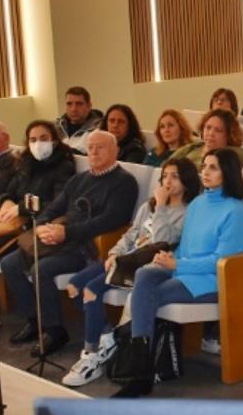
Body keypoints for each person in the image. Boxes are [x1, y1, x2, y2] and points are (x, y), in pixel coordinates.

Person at [112, 150, 243, 397]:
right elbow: (186, 247)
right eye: (205, 166)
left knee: (154, 293)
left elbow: (221, 261)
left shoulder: (235, 212)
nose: (206, 172)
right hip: (187, 272)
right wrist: (169, 258)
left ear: (228, 173)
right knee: (145, 276)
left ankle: (139, 373)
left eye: (213, 168)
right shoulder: (199, 203)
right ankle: (141, 370)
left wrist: (177, 266)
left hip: (216, 280)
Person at [60, 159, 199, 387]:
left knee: (92, 290)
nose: (168, 181)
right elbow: (131, 234)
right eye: (165, 176)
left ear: (187, 181)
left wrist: (163, 207)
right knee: (75, 286)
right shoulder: (148, 206)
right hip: (125, 260)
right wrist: (115, 252)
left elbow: (165, 240)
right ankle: (108, 338)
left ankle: (91, 354)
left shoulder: (188, 212)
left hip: (147, 265)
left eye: (175, 176)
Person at [1, 130, 139, 359]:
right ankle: (34, 320)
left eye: (100, 147)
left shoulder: (124, 182)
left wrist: (67, 233)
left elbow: (113, 220)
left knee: (41, 269)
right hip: (57, 240)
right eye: (90, 147)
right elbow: (55, 206)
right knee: (9, 263)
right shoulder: (80, 179)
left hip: (85, 247)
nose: (93, 151)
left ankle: (54, 330)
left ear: (115, 151)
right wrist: (43, 225)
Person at [0, 120, 77, 230]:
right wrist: (6, 201)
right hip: (14, 222)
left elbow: (59, 203)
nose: (38, 144)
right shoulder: (25, 163)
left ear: (54, 141)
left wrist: (21, 209)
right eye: (33, 140)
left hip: (37, 225)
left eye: (43, 138)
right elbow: (8, 191)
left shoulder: (63, 167)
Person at [169, 108, 243, 167]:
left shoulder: (235, 154)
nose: (211, 133)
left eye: (218, 130)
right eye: (208, 128)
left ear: (229, 135)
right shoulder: (192, 147)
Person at [56, 86, 104, 153]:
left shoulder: (101, 128)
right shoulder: (55, 127)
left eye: (79, 104)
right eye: (69, 104)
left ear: (89, 106)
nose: (74, 109)